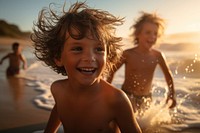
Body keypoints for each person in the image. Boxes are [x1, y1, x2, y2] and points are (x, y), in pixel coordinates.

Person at [31, 2, 142, 133]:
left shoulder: (116, 100)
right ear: (58, 57)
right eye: (78, 48)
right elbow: (60, 109)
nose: (90, 58)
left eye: (99, 49)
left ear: (108, 57)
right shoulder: (58, 89)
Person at [107, 11, 176, 114]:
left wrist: (172, 94)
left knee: (145, 126)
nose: (152, 37)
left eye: (155, 33)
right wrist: (107, 92)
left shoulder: (158, 56)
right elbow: (112, 71)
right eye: (148, 32)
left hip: (146, 98)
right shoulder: (128, 54)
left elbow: (168, 75)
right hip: (127, 96)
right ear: (137, 34)